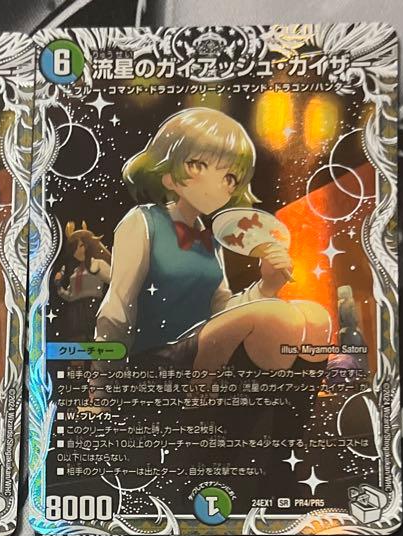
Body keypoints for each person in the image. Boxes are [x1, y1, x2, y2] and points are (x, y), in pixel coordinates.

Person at [94, 107, 330, 375]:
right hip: (155, 359)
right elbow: (117, 307)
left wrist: (267, 285)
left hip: (204, 348)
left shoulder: (209, 239)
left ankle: (289, 402)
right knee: (280, 318)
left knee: (315, 317)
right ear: (168, 175)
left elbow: (222, 310)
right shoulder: (143, 222)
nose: (224, 185)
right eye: (198, 164)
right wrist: (102, 382)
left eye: (231, 177)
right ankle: (199, 396)